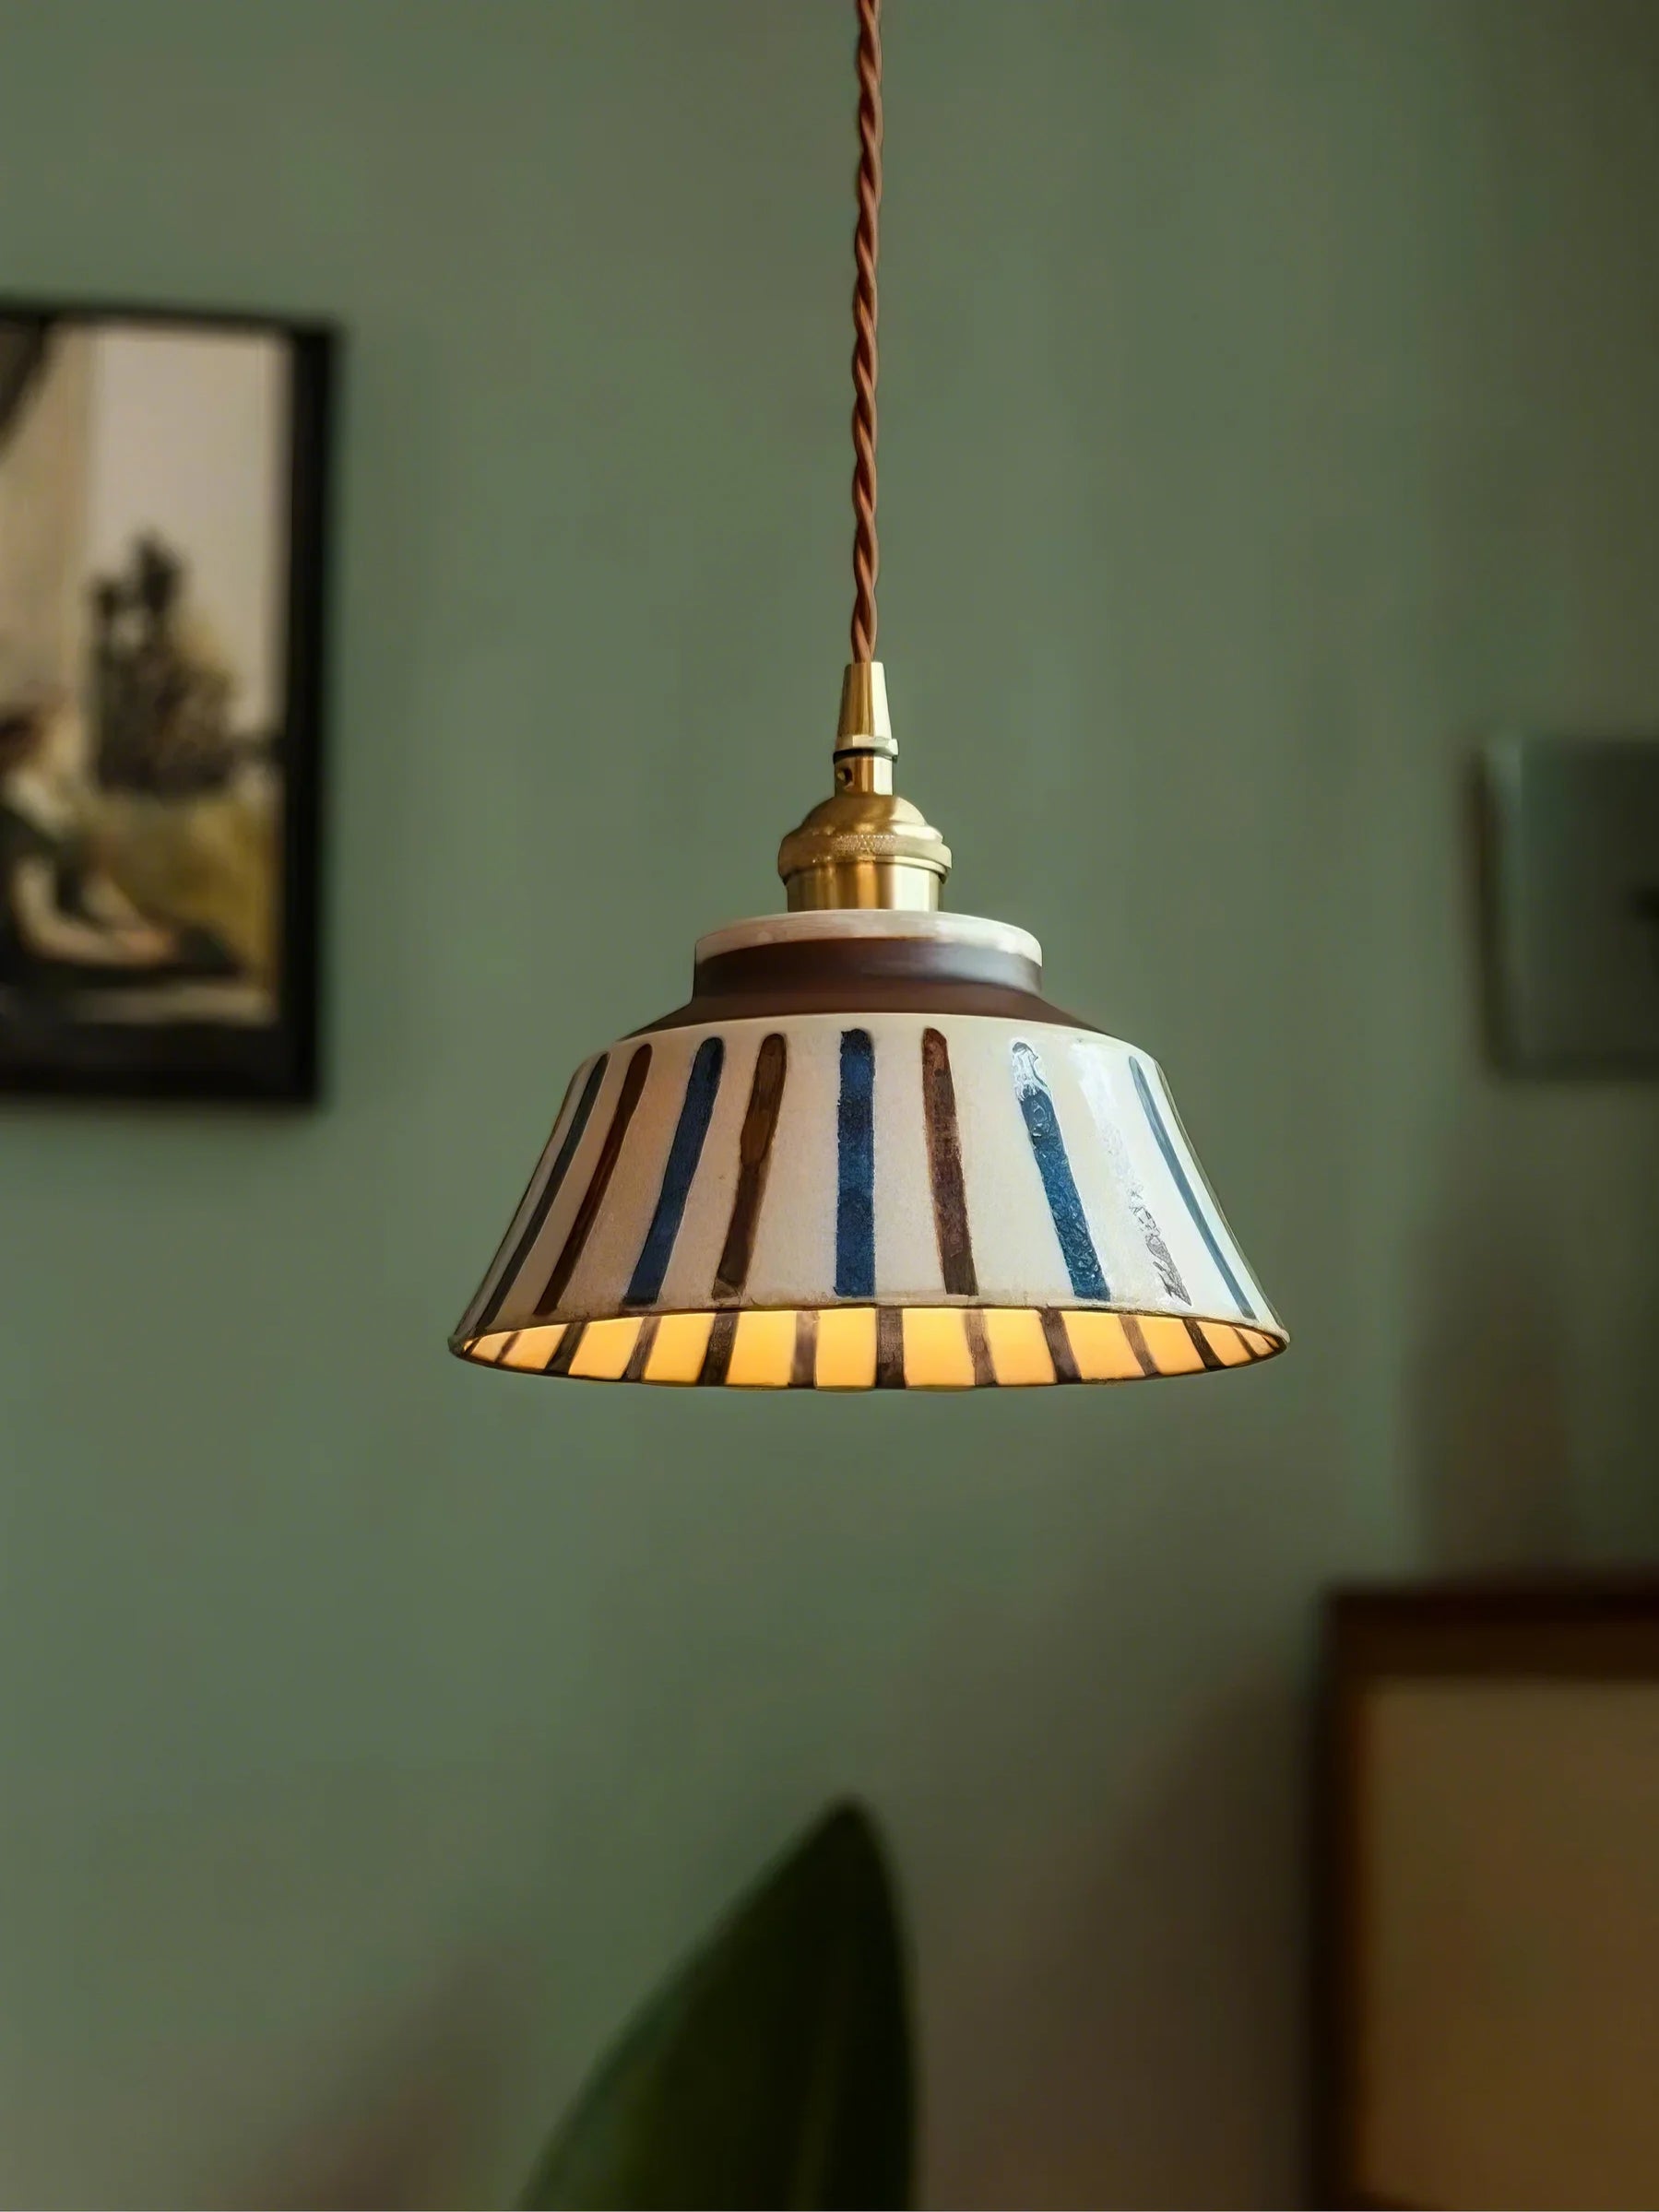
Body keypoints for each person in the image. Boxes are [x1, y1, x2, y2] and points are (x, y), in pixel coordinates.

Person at [0, 696, 205, 1000]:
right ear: (36, 745)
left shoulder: (59, 810)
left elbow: (94, 890)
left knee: (200, 948)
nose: (80, 751)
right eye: (70, 740)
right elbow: (40, 932)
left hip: (83, 944)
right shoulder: (17, 819)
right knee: (182, 975)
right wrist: (121, 950)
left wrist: (139, 929)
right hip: (41, 968)